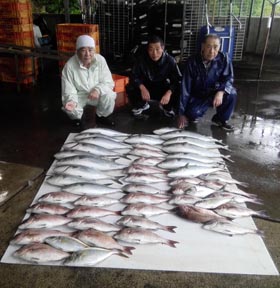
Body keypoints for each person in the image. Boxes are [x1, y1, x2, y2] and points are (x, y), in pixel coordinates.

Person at [178, 34, 237, 131]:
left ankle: (221, 120)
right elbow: (185, 88)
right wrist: (181, 113)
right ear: (203, 46)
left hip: (215, 92)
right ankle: (192, 114)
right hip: (199, 95)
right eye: (209, 46)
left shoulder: (224, 58)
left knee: (232, 93)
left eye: (215, 47)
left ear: (220, 47)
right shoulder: (192, 62)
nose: (212, 51)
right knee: (192, 114)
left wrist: (221, 91)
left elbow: (229, 78)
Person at [61, 35, 116, 129]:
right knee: (69, 106)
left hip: (97, 94)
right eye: (83, 50)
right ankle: (78, 118)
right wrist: (71, 101)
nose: (87, 54)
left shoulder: (100, 60)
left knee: (109, 95)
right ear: (77, 52)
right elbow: (68, 90)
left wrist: (98, 90)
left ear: (94, 51)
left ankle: (102, 116)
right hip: (80, 95)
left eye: (90, 50)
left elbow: (108, 82)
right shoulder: (69, 66)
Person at [126, 35, 182, 119]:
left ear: (162, 48)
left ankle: (167, 108)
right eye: (151, 49)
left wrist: (169, 93)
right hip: (147, 87)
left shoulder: (170, 61)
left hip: (162, 88)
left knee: (179, 89)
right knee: (130, 86)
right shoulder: (141, 59)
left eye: (157, 49)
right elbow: (133, 76)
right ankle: (142, 105)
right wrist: (142, 87)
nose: (154, 53)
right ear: (147, 50)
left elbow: (178, 80)